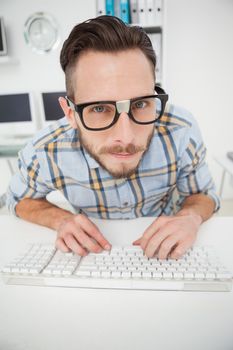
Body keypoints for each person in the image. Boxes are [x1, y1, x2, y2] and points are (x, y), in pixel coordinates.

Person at [6, 15, 219, 260]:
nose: (126, 137)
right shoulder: (45, 150)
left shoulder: (181, 130)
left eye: (140, 103)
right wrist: (60, 219)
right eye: (99, 108)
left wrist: (189, 217)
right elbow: (16, 198)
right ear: (70, 113)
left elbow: (204, 194)